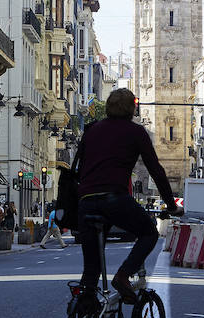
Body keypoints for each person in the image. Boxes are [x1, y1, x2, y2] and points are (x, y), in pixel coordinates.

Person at [74, 87, 179, 305]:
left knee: (91, 270)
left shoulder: (92, 129)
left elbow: (80, 166)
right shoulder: (135, 132)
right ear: (133, 107)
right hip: (113, 197)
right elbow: (155, 170)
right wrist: (171, 204)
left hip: (85, 200)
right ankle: (123, 275)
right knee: (149, 232)